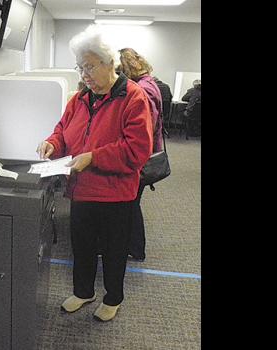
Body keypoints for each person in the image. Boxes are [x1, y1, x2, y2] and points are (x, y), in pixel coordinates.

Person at [36, 26, 152, 322]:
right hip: (82, 190)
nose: (84, 73)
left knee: (114, 252)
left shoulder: (133, 98)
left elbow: (137, 150)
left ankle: (113, 298)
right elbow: (63, 130)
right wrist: (52, 142)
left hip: (115, 194)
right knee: (82, 247)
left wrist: (93, 157)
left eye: (89, 66)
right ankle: (83, 291)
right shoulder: (80, 98)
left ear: (108, 62)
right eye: (80, 66)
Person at [118, 47, 163, 261]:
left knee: (131, 204)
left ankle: (135, 249)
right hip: (147, 154)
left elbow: (144, 128)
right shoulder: (150, 83)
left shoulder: (141, 90)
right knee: (132, 204)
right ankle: (134, 247)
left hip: (141, 159)